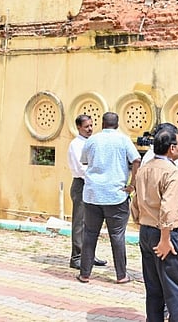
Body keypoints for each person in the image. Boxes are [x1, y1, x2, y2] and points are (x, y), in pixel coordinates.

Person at [131, 126, 178, 322]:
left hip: (147, 232)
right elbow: (168, 208)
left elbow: (135, 201)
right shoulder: (172, 172)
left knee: (154, 290)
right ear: (172, 148)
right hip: (168, 235)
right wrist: (165, 239)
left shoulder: (143, 169)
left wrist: (143, 226)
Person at [77, 112, 140, 284]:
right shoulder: (123, 140)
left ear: (102, 124)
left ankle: (85, 274)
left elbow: (84, 161)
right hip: (116, 195)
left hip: (92, 194)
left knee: (90, 234)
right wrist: (132, 184)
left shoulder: (92, 140)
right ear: (117, 124)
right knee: (117, 235)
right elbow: (136, 160)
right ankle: (121, 275)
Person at [67, 115, 107, 270]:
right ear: (78, 127)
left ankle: (89, 255)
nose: (90, 129)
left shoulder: (92, 142)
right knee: (79, 222)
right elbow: (82, 168)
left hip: (92, 185)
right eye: (86, 126)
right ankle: (76, 257)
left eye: (91, 125)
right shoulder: (76, 145)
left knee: (91, 223)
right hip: (82, 184)